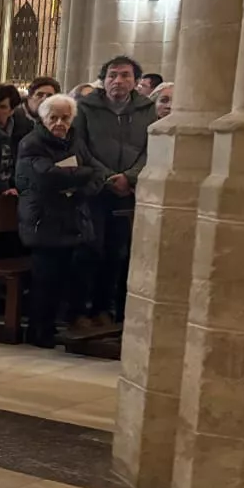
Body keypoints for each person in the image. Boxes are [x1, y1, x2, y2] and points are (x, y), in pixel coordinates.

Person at [73, 54, 157, 326]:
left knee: (117, 252)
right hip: (96, 190)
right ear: (103, 79)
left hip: (128, 192)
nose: (118, 80)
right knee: (90, 249)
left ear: (135, 81)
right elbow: (80, 146)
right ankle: (82, 309)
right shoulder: (85, 107)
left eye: (124, 75)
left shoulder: (147, 109)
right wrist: (109, 176)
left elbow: (151, 149)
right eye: (112, 75)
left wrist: (130, 178)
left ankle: (105, 308)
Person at [16, 94, 100, 348]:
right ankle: (39, 331)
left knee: (66, 276)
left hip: (71, 218)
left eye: (65, 117)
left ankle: (55, 326)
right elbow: (46, 177)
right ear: (43, 118)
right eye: (53, 117)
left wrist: (80, 187)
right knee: (45, 279)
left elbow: (98, 172)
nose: (59, 123)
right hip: (43, 220)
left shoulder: (76, 141)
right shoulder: (32, 142)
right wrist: (81, 176)